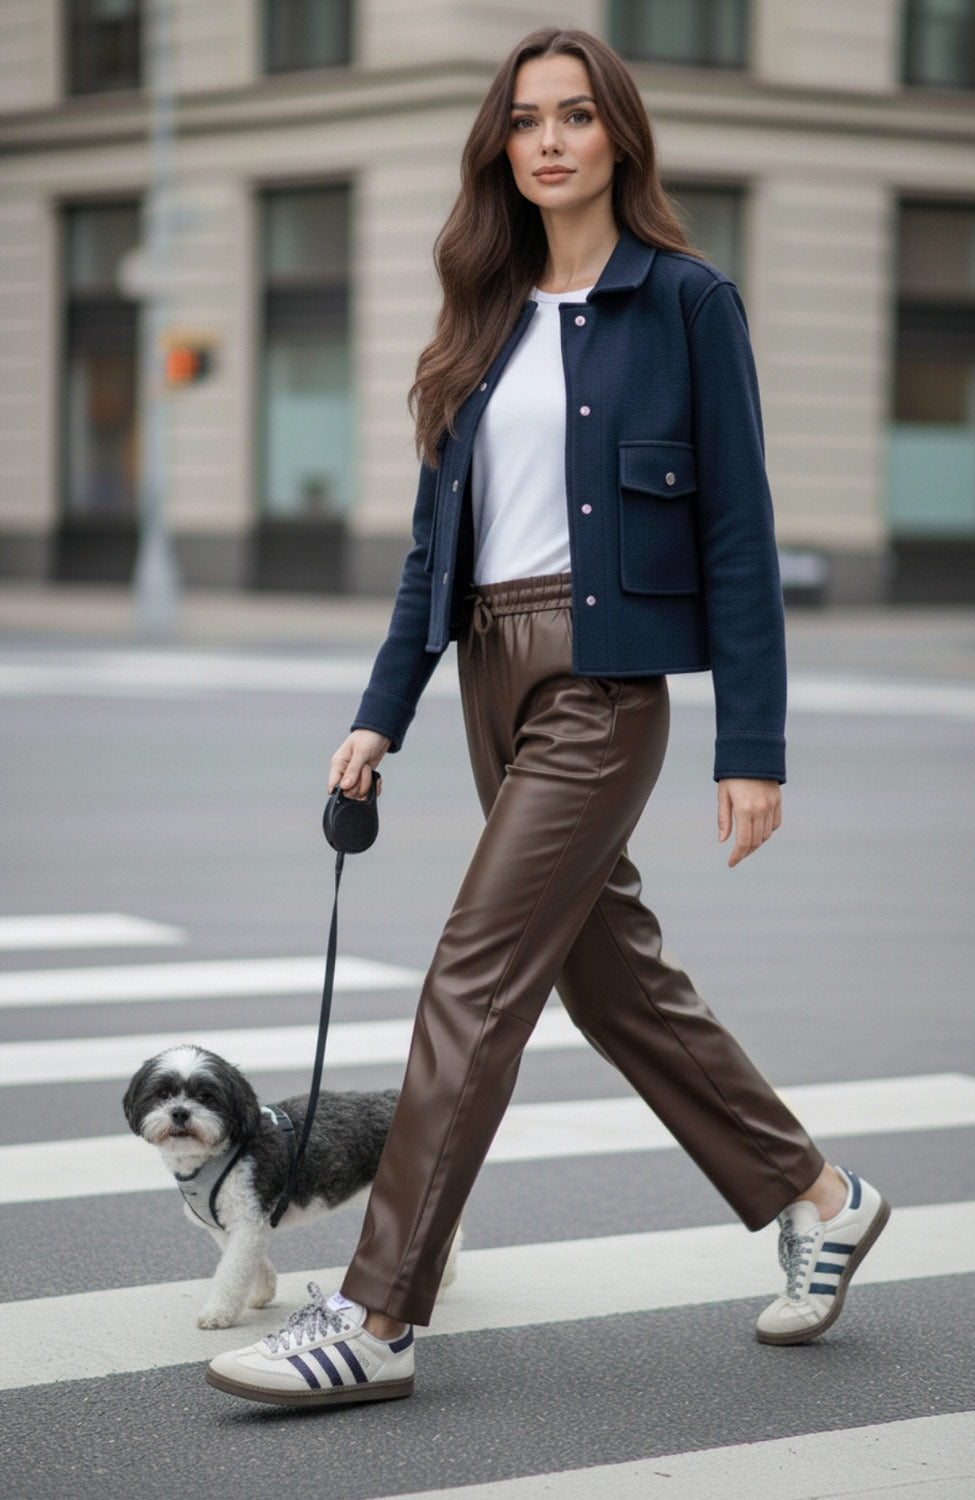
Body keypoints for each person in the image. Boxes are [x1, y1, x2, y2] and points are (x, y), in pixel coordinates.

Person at [207, 27, 889, 1410]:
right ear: (501, 148)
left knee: (473, 975)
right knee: (604, 971)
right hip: (487, 670)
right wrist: (378, 711)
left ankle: (378, 1315)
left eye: (579, 116)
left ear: (619, 140)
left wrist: (751, 746)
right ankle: (816, 1194)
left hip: (604, 680)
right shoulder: (481, 313)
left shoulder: (688, 302)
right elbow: (428, 553)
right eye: (528, 121)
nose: (553, 140)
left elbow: (741, 534)